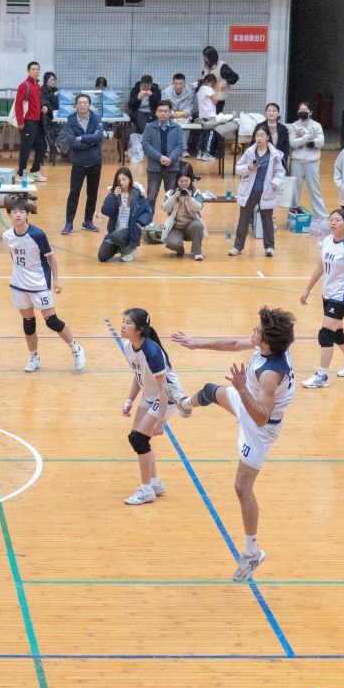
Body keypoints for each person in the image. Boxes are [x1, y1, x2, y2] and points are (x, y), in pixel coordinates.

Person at [171, 306, 297, 581]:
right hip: (248, 401)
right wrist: (196, 344)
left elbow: (261, 418)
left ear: (266, 342)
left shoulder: (270, 374)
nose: (252, 331)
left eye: (256, 330)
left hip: (260, 429)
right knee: (210, 391)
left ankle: (252, 553)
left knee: (241, 487)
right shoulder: (267, 347)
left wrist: (240, 389)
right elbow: (233, 344)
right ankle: (184, 404)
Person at [116, 307, 193, 506]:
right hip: (150, 394)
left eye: (128, 323)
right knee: (137, 439)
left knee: (139, 439)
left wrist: (160, 422)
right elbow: (138, 375)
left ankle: (146, 490)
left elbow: (164, 388)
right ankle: (155, 483)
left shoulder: (152, 351)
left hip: (166, 395)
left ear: (139, 329)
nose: (122, 325)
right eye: (123, 321)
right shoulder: (128, 346)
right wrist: (129, 400)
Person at [2, 195, 83, 372]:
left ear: (27, 214)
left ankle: (76, 349)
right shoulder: (7, 236)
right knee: (28, 323)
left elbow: (51, 258)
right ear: (9, 214)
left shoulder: (37, 234)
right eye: (14, 212)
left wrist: (56, 280)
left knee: (52, 321)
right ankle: (34, 358)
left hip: (39, 284)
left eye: (21, 211)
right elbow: (13, 256)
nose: (18, 215)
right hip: (19, 285)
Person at [298, 207, 344, 389]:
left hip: (341, 297)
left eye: (337, 220)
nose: (333, 223)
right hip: (328, 294)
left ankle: (322, 376)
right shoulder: (327, 240)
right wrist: (307, 288)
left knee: (325, 334)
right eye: (331, 219)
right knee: (337, 334)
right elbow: (320, 267)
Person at [230, 122, 284, 258]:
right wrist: (248, 168)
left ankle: (269, 247)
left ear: (267, 137)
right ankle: (237, 247)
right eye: (257, 135)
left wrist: (274, 183)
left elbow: (280, 172)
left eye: (262, 135)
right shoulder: (249, 152)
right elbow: (238, 168)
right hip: (249, 191)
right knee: (243, 220)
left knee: (267, 221)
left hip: (266, 191)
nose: (259, 138)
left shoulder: (274, 154)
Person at [63, 91, 104, 234]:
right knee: (74, 193)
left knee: (92, 193)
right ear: (75, 105)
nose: (82, 105)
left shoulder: (96, 118)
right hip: (79, 163)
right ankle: (69, 223)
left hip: (95, 161)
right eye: (80, 103)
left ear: (89, 105)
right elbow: (73, 143)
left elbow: (99, 137)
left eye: (85, 103)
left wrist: (81, 138)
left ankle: (88, 221)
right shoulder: (70, 120)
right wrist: (91, 141)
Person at [96, 164, 152, 263]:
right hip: (114, 231)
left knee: (116, 236)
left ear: (129, 180)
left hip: (130, 231)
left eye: (124, 179)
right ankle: (120, 248)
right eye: (119, 180)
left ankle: (129, 250)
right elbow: (105, 210)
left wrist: (139, 223)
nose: (121, 182)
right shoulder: (113, 194)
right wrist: (113, 197)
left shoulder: (137, 194)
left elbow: (148, 212)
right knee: (102, 256)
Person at [287, 103, 327, 221]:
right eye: (301, 110)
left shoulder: (316, 125)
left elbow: (321, 142)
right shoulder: (294, 126)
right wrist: (308, 137)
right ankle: (294, 212)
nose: (303, 112)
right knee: (295, 188)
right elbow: (293, 142)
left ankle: (322, 216)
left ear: (311, 112)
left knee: (314, 188)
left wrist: (307, 141)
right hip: (296, 161)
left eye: (305, 110)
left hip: (312, 162)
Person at [141, 100, 185, 203]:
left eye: (165, 111)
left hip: (172, 168)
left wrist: (171, 159)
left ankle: (172, 215)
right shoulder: (149, 127)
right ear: (156, 112)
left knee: (173, 198)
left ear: (170, 113)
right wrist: (160, 157)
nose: (163, 113)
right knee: (151, 198)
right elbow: (145, 145)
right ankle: (149, 215)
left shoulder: (177, 128)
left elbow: (179, 146)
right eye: (160, 111)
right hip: (154, 168)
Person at [158, 169, 205, 261]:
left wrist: (190, 199)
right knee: (172, 243)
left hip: (191, 226)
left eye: (186, 181)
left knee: (198, 225)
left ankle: (197, 252)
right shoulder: (170, 193)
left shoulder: (196, 192)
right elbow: (164, 208)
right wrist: (174, 197)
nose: (184, 184)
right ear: (177, 181)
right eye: (181, 181)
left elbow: (199, 207)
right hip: (175, 227)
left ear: (190, 180)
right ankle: (179, 249)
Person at [13, 60, 47, 179]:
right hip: (27, 122)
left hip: (37, 122)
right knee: (26, 149)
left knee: (42, 146)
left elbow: (37, 102)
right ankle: (21, 174)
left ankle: (35, 171)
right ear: (28, 71)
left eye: (37, 69)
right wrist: (20, 122)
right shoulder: (24, 85)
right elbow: (18, 105)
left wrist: (43, 107)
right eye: (33, 69)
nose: (35, 71)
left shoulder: (38, 86)